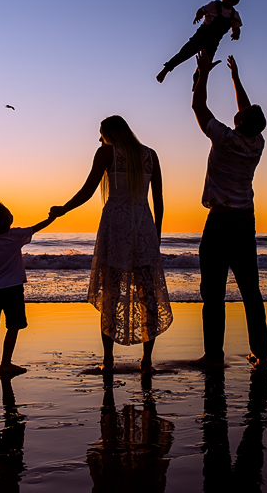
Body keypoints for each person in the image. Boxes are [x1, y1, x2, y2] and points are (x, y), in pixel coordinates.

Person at [50, 115, 171, 373]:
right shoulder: (151, 154)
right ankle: (146, 361)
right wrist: (156, 235)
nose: (99, 138)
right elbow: (158, 200)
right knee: (147, 293)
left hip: (116, 225)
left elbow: (88, 190)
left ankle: (108, 360)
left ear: (109, 133)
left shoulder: (106, 152)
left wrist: (64, 209)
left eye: (101, 132)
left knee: (111, 293)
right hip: (143, 224)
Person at [190, 51, 267, 370]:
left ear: (239, 122)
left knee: (213, 291)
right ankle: (260, 353)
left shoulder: (223, 138)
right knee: (251, 290)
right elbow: (247, 113)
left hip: (220, 222)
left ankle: (213, 353)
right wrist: (236, 78)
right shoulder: (257, 143)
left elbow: (198, 106)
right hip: (245, 222)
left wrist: (204, 72)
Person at [0, 202, 56, 374]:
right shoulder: (15, 235)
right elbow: (36, 228)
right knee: (13, 326)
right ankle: (5, 363)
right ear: (9, 221)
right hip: (13, 289)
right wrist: (52, 218)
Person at [156, 0, 244, 85]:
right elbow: (202, 10)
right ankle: (166, 69)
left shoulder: (235, 15)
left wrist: (236, 33)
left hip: (213, 43)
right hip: (201, 37)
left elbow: (236, 27)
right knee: (185, 53)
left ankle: (197, 82)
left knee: (205, 65)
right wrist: (199, 15)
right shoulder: (214, 5)